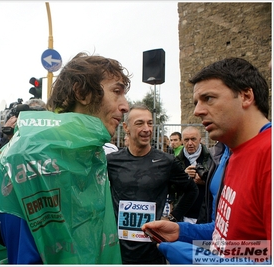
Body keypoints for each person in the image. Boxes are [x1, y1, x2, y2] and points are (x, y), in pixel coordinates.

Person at [0, 52, 131, 264]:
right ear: (81, 92)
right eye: (116, 91)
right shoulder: (26, 156)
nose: (125, 106)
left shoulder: (91, 154)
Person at [142, 58, 271, 264]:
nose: (197, 111)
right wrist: (182, 231)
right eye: (196, 102)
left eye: (208, 98)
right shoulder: (232, 154)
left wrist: (202, 260)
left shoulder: (268, 154)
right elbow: (227, 232)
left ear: (246, 96)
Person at [106, 104, 198, 264]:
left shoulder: (166, 162)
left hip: (152, 251)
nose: (147, 128)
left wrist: (172, 218)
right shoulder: (112, 161)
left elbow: (192, 191)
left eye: (150, 123)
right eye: (140, 123)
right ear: (126, 127)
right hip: (118, 251)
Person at [175, 126, 214, 224]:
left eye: (193, 139)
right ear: (182, 141)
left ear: (200, 140)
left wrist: (205, 182)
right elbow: (170, 188)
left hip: (205, 215)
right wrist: (183, 177)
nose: (190, 143)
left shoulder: (213, 158)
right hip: (182, 215)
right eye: (186, 140)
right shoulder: (175, 161)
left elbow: (220, 186)